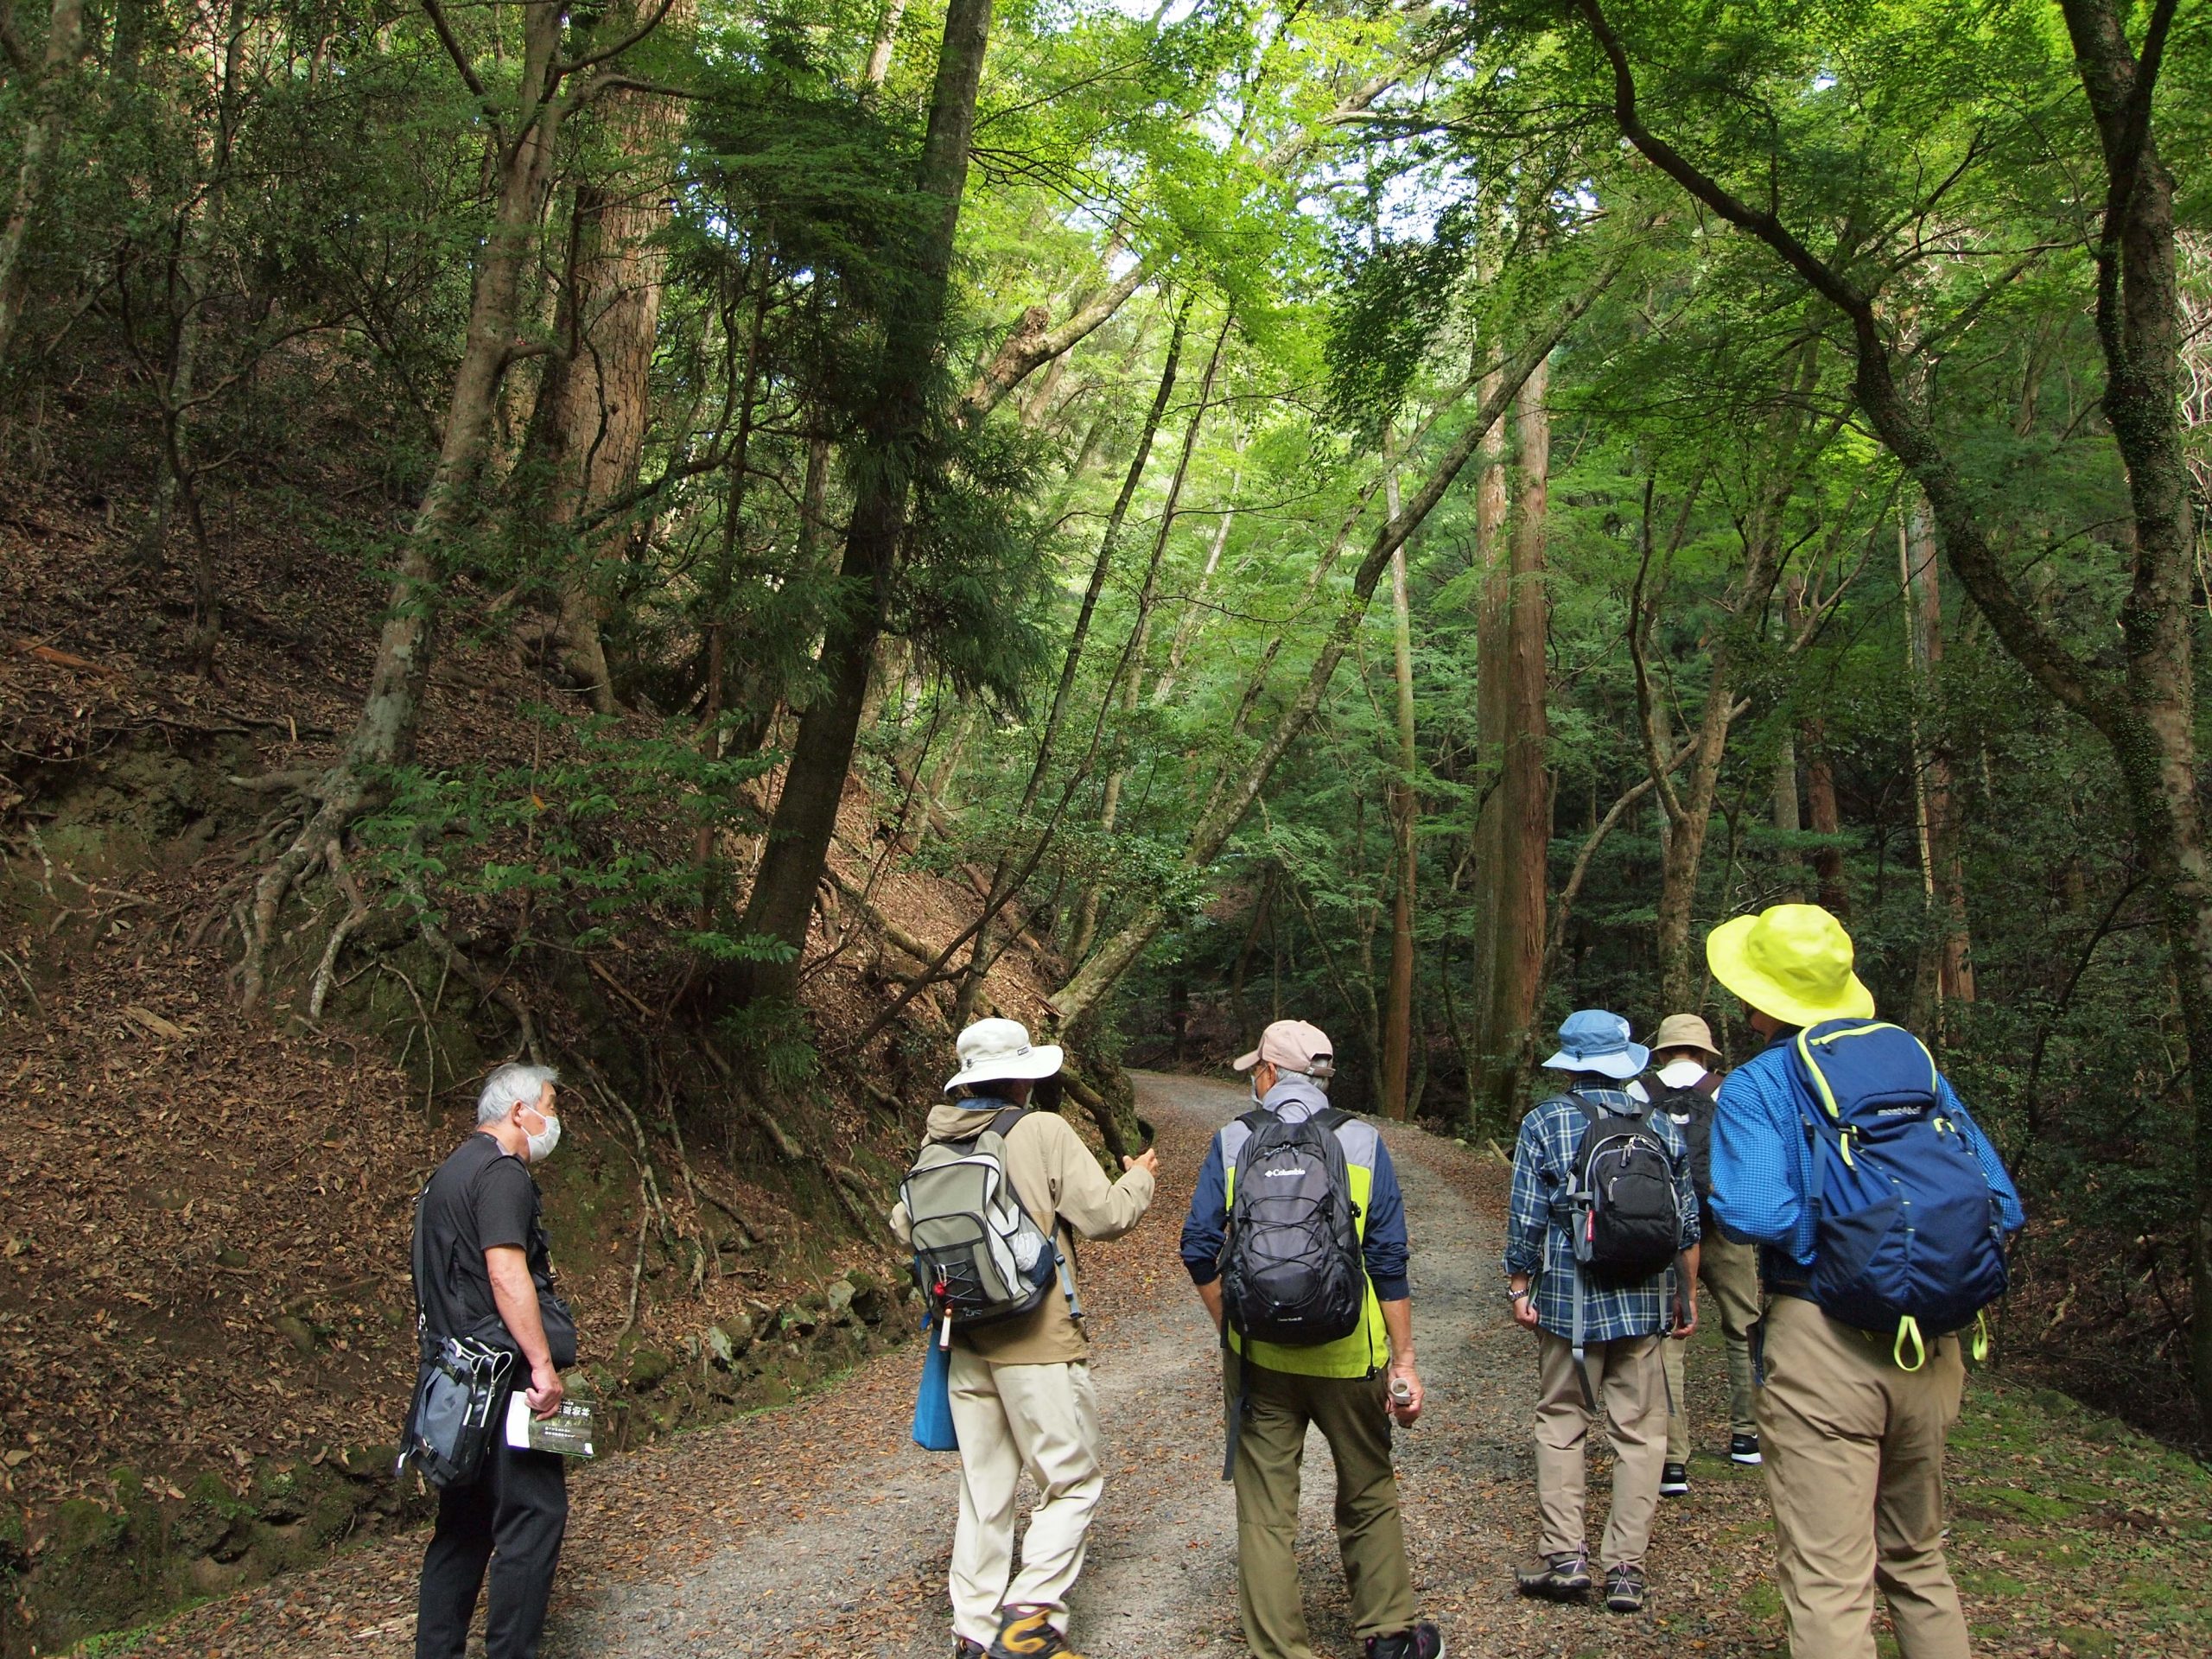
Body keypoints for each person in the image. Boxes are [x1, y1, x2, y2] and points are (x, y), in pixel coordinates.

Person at [1706, 905, 2023, 1659]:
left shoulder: (1759, 1084)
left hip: (1822, 1341)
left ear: (1758, 1000)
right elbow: (2000, 1202)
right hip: (1935, 1347)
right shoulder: (1914, 1065)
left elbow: (1750, 1210)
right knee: (1917, 1558)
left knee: (1829, 1578)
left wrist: (1839, 1245)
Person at [890, 1018, 1157, 1659]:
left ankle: (973, 1632)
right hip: (1038, 1337)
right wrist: (1140, 1176)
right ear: (1020, 1077)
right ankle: (1030, 1615)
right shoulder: (1041, 1130)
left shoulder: (935, 1144)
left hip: (966, 1344)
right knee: (1072, 1480)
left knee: (984, 1493)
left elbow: (905, 1226)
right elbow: (1106, 1216)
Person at [1179, 1019, 1441, 1659]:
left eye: (1254, 1070)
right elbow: (1388, 1259)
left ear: (1268, 1073)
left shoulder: (1234, 1140)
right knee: (1369, 1491)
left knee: (1266, 1511)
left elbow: (1198, 1249)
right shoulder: (1361, 1141)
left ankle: (1281, 1651)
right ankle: (1388, 1636)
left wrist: (1231, 1330)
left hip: (1262, 1357)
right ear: (1322, 1076)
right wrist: (1404, 1361)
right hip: (1353, 1354)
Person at [1506, 1009, 1698, 1615]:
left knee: (1561, 1421)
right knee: (1641, 1434)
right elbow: (1686, 1224)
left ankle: (1566, 1558)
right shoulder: (1663, 1125)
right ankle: (1626, 1570)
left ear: (1569, 1061)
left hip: (1571, 1300)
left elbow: (1526, 1217)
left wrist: (1519, 1285)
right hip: (1644, 1299)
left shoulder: (1547, 1120)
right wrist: (1684, 1297)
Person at [414, 1063, 577, 1659]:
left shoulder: (447, 1175)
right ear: (518, 1112)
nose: (553, 1120)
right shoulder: (502, 1172)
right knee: (535, 1516)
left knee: (463, 1527)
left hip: (455, 1383)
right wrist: (542, 1365)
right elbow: (506, 1272)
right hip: (506, 1379)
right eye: (550, 1107)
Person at [1640, 1013, 1763, 1496]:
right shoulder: (1729, 1090)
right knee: (1744, 1325)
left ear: (1663, 1050)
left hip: (1665, 1230)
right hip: (1724, 1225)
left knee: (1672, 1333)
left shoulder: (1639, 1093)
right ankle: (1746, 1435)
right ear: (1707, 1052)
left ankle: (1673, 1461)